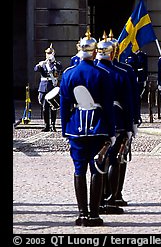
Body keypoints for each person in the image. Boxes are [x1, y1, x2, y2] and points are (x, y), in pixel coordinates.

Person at [59, 29, 115, 226]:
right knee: (97, 169)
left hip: (76, 126)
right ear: (93, 52)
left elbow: (65, 105)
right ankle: (94, 214)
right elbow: (108, 105)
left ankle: (82, 214)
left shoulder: (69, 74)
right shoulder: (103, 74)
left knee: (79, 169)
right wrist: (111, 131)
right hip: (98, 125)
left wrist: (65, 127)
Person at [94, 35, 135, 215]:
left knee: (98, 160)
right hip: (117, 119)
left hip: (94, 121)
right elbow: (129, 102)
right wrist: (130, 126)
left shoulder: (92, 71)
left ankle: (98, 199)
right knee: (115, 160)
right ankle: (111, 198)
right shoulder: (121, 72)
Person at [34, 43, 63, 132]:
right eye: (47, 53)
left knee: (53, 107)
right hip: (43, 87)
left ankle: (53, 125)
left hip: (52, 87)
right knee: (44, 107)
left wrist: (54, 62)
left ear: (53, 54)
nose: (48, 55)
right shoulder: (43, 64)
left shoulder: (56, 63)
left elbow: (60, 68)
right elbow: (35, 69)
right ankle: (47, 125)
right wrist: (39, 65)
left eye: (50, 53)